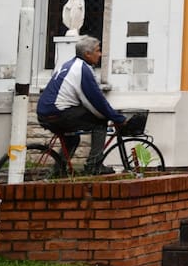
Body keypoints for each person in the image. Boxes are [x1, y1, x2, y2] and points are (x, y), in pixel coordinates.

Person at [36, 36, 126, 174]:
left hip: (44, 113)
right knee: (100, 121)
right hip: (59, 112)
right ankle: (94, 166)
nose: (100, 54)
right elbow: (96, 101)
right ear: (87, 54)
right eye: (98, 50)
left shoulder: (68, 64)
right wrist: (117, 118)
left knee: (72, 138)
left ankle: (58, 171)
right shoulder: (82, 69)